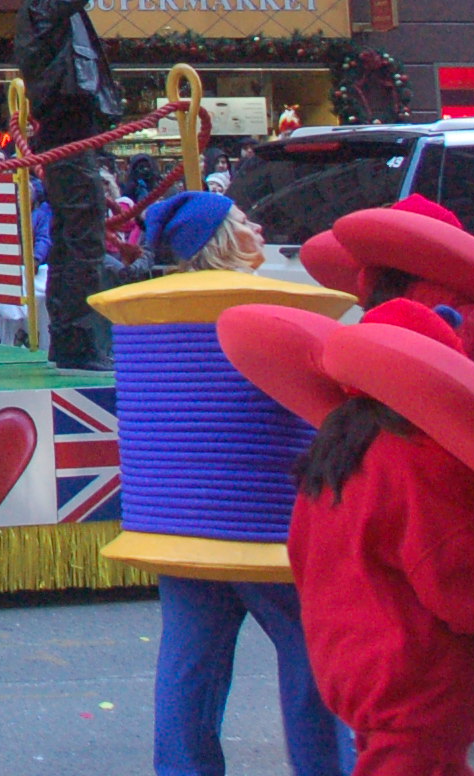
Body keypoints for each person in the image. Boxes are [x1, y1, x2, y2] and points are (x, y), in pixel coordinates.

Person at [137, 192, 350, 776]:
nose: (256, 226)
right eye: (242, 220)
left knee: (190, 665)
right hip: (264, 522)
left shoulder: (154, 318)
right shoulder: (271, 310)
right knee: (314, 651)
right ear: (222, 239)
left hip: (179, 524)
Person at [288, 302, 474, 776]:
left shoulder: (336, 453)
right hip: (418, 685)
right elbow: (472, 594)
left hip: (356, 670)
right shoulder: (423, 459)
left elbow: (306, 561)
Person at [18, 0, 139, 368]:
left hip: (70, 132)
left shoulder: (47, 13)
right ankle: (80, 341)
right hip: (66, 133)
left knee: (73, 238)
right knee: (82, 240)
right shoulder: (42, 7)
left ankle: (71, 339)